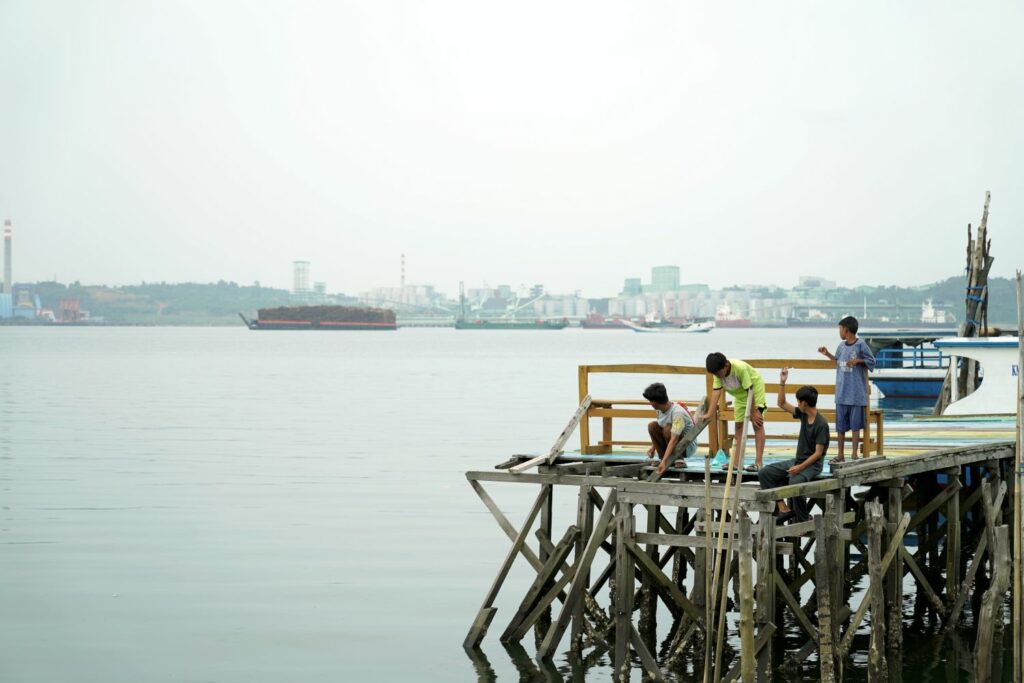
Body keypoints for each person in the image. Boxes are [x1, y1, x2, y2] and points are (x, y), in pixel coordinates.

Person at [759, 368, 830, 523]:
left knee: (795, 482)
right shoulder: (803, 413)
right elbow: (781, 403)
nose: (797, 403)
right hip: (798, 460)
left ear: (804, 403)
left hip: (813, 465)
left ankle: (803, 519)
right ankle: (782, 507)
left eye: (798, 401)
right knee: (765, 473)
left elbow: (818, 453)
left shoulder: (821, 424)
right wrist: (782, 382)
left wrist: (799, 468)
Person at [817, 315, 876, 461]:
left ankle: (854, 454)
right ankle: (840, 454)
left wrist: (858, 361)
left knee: (856, 427)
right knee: (840, 427)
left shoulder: (861, 344)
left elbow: (872, 361)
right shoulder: (841, 346)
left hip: (856, 394)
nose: (839, 332)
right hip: (842, 393)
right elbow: (838, 361)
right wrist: (828, 354)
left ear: (847, 330)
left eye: (840, 329)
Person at [704, 352, 767, 471]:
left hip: (755, 392)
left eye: (718, 373)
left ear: (726, 365)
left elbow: (750, 389)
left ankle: (758, 463)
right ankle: (736, 462)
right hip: (740, 396)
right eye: (714, 374)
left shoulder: (740, 368)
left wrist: (753, 412)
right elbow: (716, 392)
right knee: (738, 427)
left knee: (757, 424)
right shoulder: (717, 374)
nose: (717, 376)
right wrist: (709, 413)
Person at [643, 382, 698, 477]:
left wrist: (665, 462)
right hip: (671, 439)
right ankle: (663, 458)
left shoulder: (677, 413)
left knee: (668, 429)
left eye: (650, 401)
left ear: (654, 403)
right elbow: (660, 428)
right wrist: (653, 448)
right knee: (652, 426)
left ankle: (678, 459)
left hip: (686, 446)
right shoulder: (659, 411)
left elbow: (674, 439)